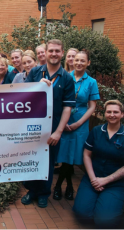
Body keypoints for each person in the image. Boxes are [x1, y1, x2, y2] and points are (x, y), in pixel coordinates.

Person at [22, 39, 75, 208]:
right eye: (50, 50)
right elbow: (23, 96)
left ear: (62, 53)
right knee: (32, 157)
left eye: (57, 51)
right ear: (45, 52)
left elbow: (68, 107)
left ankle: (44, 193)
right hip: (33, 126)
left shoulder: (66, 78)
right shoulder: (36, 72)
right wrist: (36, 87)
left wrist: (59, 132)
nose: (53, 54)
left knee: (48, 161)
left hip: (53, 128)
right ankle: (32, 191)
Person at [54, 50, 100, 200]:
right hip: (63, 119)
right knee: (65, 155)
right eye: (77, 60)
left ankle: (60, 185)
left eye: (82, 61)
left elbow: (92, 106)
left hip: (80, 123)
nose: (79, 63)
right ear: (72, 61)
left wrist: (79, 123)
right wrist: (64, 121)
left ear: (88, 63)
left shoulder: (91, 82)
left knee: (73, 156)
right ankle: (66, 185)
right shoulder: (65, 77)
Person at [73, 100, 124, 228]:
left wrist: (106, 180)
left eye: (116, 112)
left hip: (116, 182)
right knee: (82, 214)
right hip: (93, 178)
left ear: (122, 114)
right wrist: (93, 179)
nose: (112, 114)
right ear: (105, 113)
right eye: (109, 112)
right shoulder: (96, 131)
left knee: (104, 221)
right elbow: (87, 155)